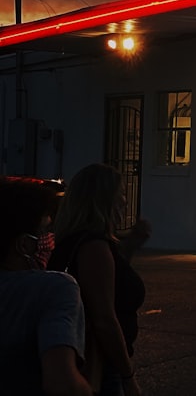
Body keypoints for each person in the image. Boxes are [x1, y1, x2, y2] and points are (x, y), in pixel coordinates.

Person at [49, 164, 149, 396]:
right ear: (103, 200)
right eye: (120, 194)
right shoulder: (93, 247)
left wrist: (130, 246)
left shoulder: (75, 242)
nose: (125, 201)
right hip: (101, 367)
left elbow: (113, 284)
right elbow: (104, 318)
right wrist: (128, 375)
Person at [1, 177, 92, 396]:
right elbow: (62, 383)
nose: (50, 240)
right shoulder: (54, 288)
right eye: (44, 232)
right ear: (24, 244)